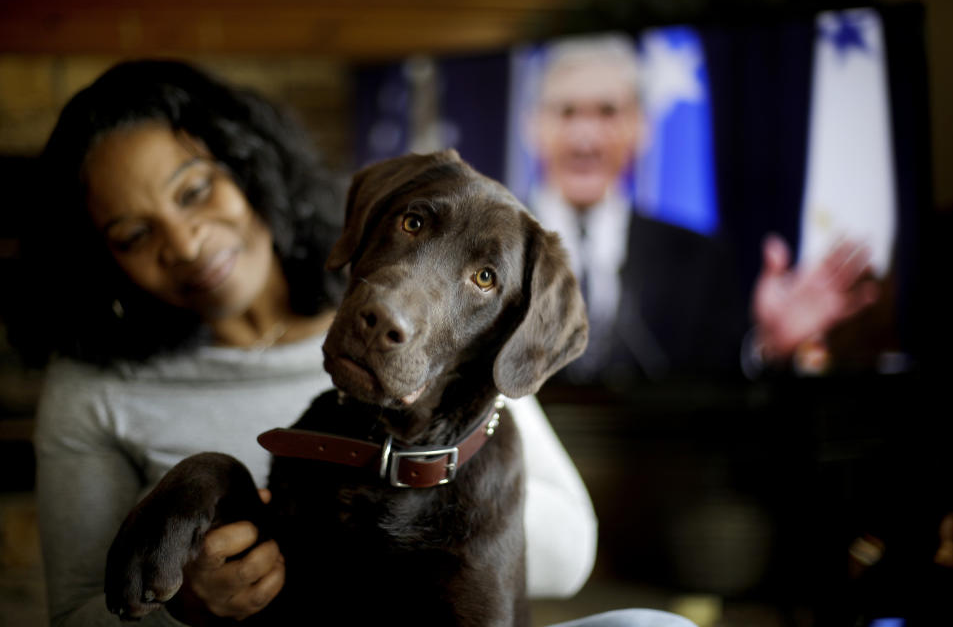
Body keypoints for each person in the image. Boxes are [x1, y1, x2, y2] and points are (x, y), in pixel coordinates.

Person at [5, 60, 619, 626]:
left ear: (249, 165)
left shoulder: (470, 382)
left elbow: (571, 551)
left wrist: (398, 502)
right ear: (101, 261)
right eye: (135, 233)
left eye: (195, 191)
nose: (187, 243)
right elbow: (75, 613)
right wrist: (184, 609)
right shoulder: (94, 389)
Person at [523, 34, 879, 383]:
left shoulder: (699, 258)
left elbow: (722, 388)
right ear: (534, 126)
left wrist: (768, 346)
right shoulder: (482, 251)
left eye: (607, 112)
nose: (586, 138)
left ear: (640, 127)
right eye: (567, 112)